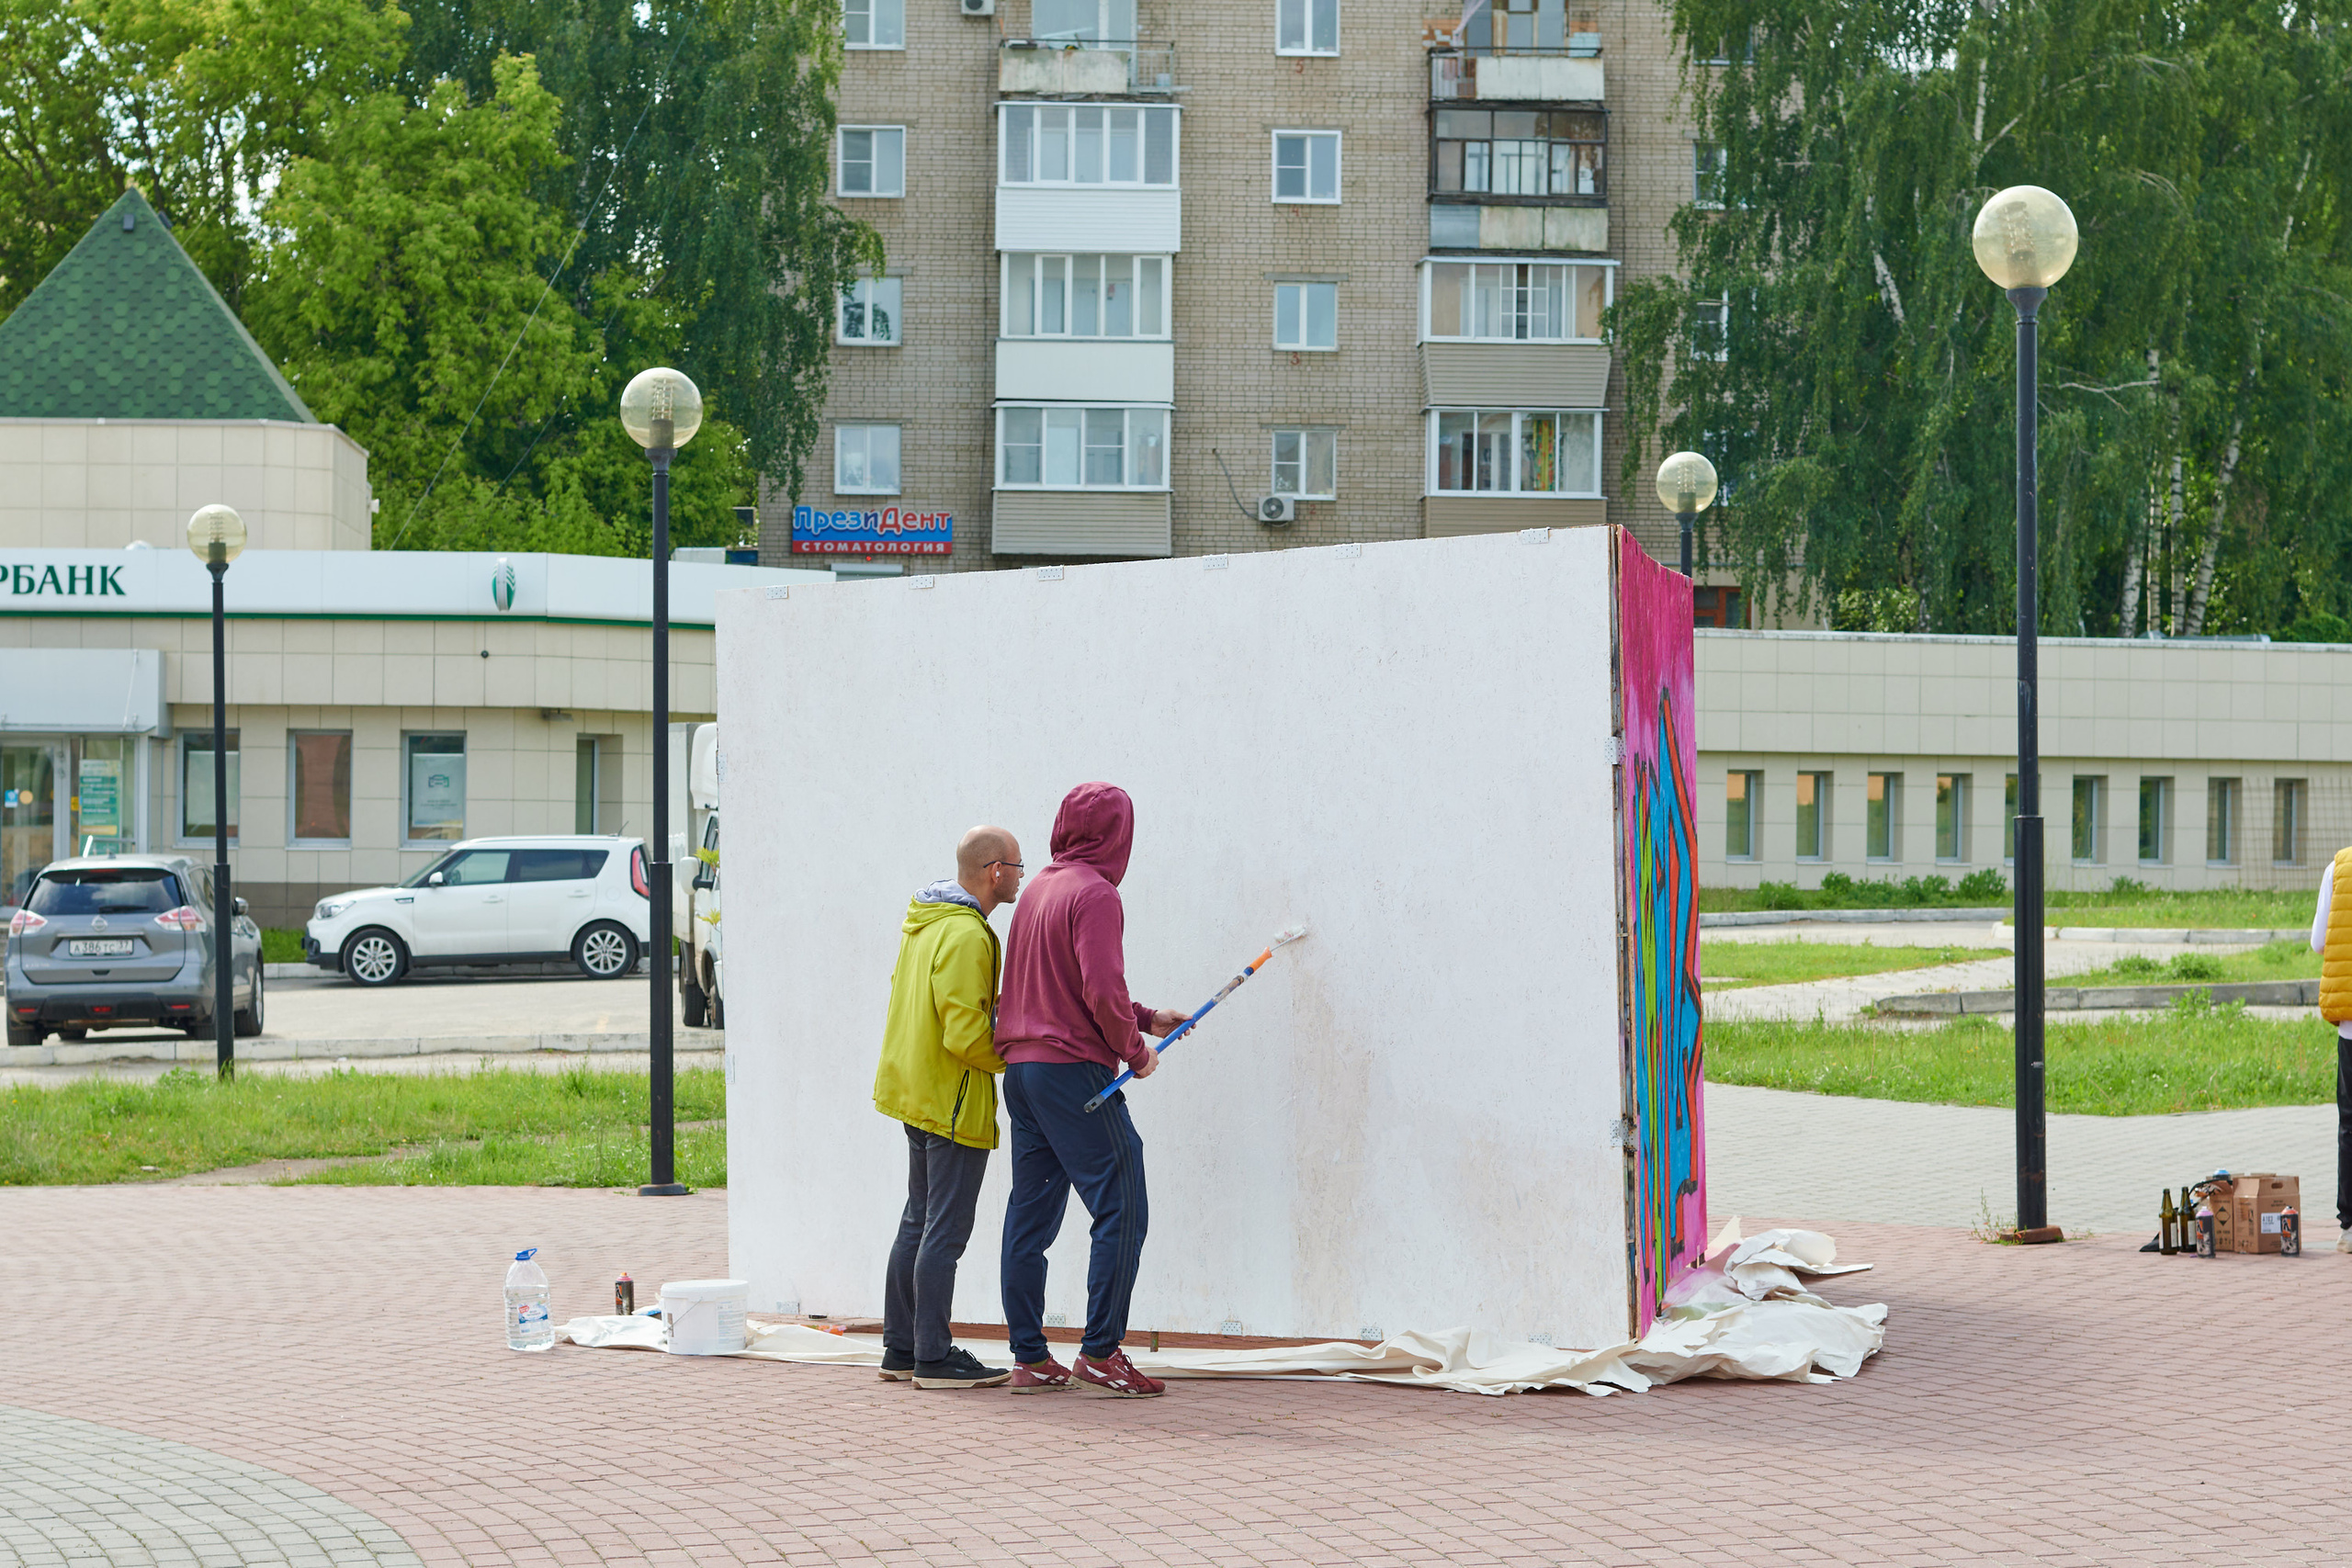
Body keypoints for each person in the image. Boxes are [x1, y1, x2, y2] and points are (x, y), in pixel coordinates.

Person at [995, 782, 1185, 1397]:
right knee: (1123, 1199)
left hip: (1022, 1074)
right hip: (1072, 1072)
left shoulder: (1041, 889)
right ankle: (1100, 1351)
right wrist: (1135, 1049)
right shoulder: (1097, 894)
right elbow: (1098, 990)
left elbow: (1065, 981)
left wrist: (1146, 1014)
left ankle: (1028, 1355)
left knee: (1032, 1212)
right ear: (1115, 835)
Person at [873, 826, 1026, 1389]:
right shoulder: (968, 936)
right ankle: (934, 1357)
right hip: (953, 1098)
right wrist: (1017, 1053)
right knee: (944, 1230)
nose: (1018, 876)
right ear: (994, 871)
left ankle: (901, 1348)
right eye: (1017, 865)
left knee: (917, 1220)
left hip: (917, 1092)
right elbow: (966, 1034)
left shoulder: (927, 924)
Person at [2310, 850, 2352, 1253]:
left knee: (2350, 1124)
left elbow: (2319, 942)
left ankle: (2350, 1227)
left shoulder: (2337, 868)